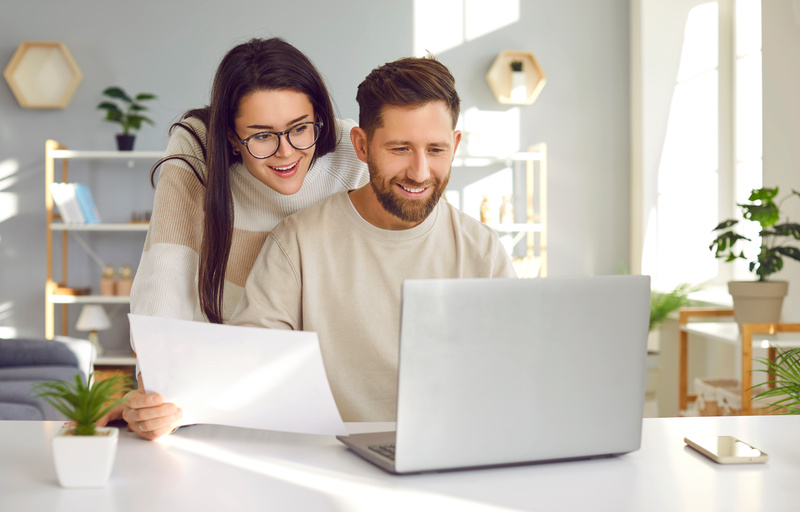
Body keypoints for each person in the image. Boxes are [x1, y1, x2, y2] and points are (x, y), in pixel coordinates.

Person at [228, 56, 517, 423]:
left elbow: (514, 378)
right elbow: (246, 371)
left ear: (455, 145)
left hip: (451, 462)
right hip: (328, 461)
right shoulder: (297, 242)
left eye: (436, 149)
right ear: (361, 146)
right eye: (400, 149)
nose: (419, 172)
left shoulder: (483, 251)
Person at [119, 37, 369, 440]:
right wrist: (156, 392)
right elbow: (166, 268)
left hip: (326, 397)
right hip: (214, 391)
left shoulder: (350, 153)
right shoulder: (198, 145)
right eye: (262, 136)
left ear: (319, 117)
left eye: (300, 128)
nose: (286, 153)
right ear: (232, 137)